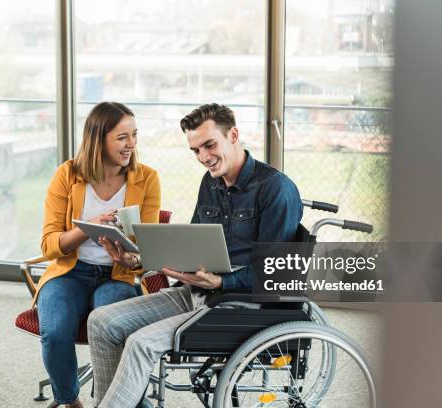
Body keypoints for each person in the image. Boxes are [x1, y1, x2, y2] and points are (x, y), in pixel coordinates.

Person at [87, 103, 303, 408]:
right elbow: (192, 242)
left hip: (239, 306)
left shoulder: (276, 189)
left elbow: (276, 271)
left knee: (140, 344)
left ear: (234, 135)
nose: (203, 157)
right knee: (101, 321)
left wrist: (219, 282)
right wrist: (138, 259)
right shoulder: (211, 183)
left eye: (209, 145)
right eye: (195, 150)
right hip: (197, 291)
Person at [35, 102, 161, 408]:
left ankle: (115, 399)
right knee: (54, 332)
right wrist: (87, 228)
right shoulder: (67, 175)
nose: (131, 143)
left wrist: (129, 260)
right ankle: (70, 401)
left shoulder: (147, 178)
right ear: (98, 138)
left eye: (134, 134)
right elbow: (49, 244)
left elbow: (150, 252)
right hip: (70, 272)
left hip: (117, 275)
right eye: (122, 137)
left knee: (113, 329)